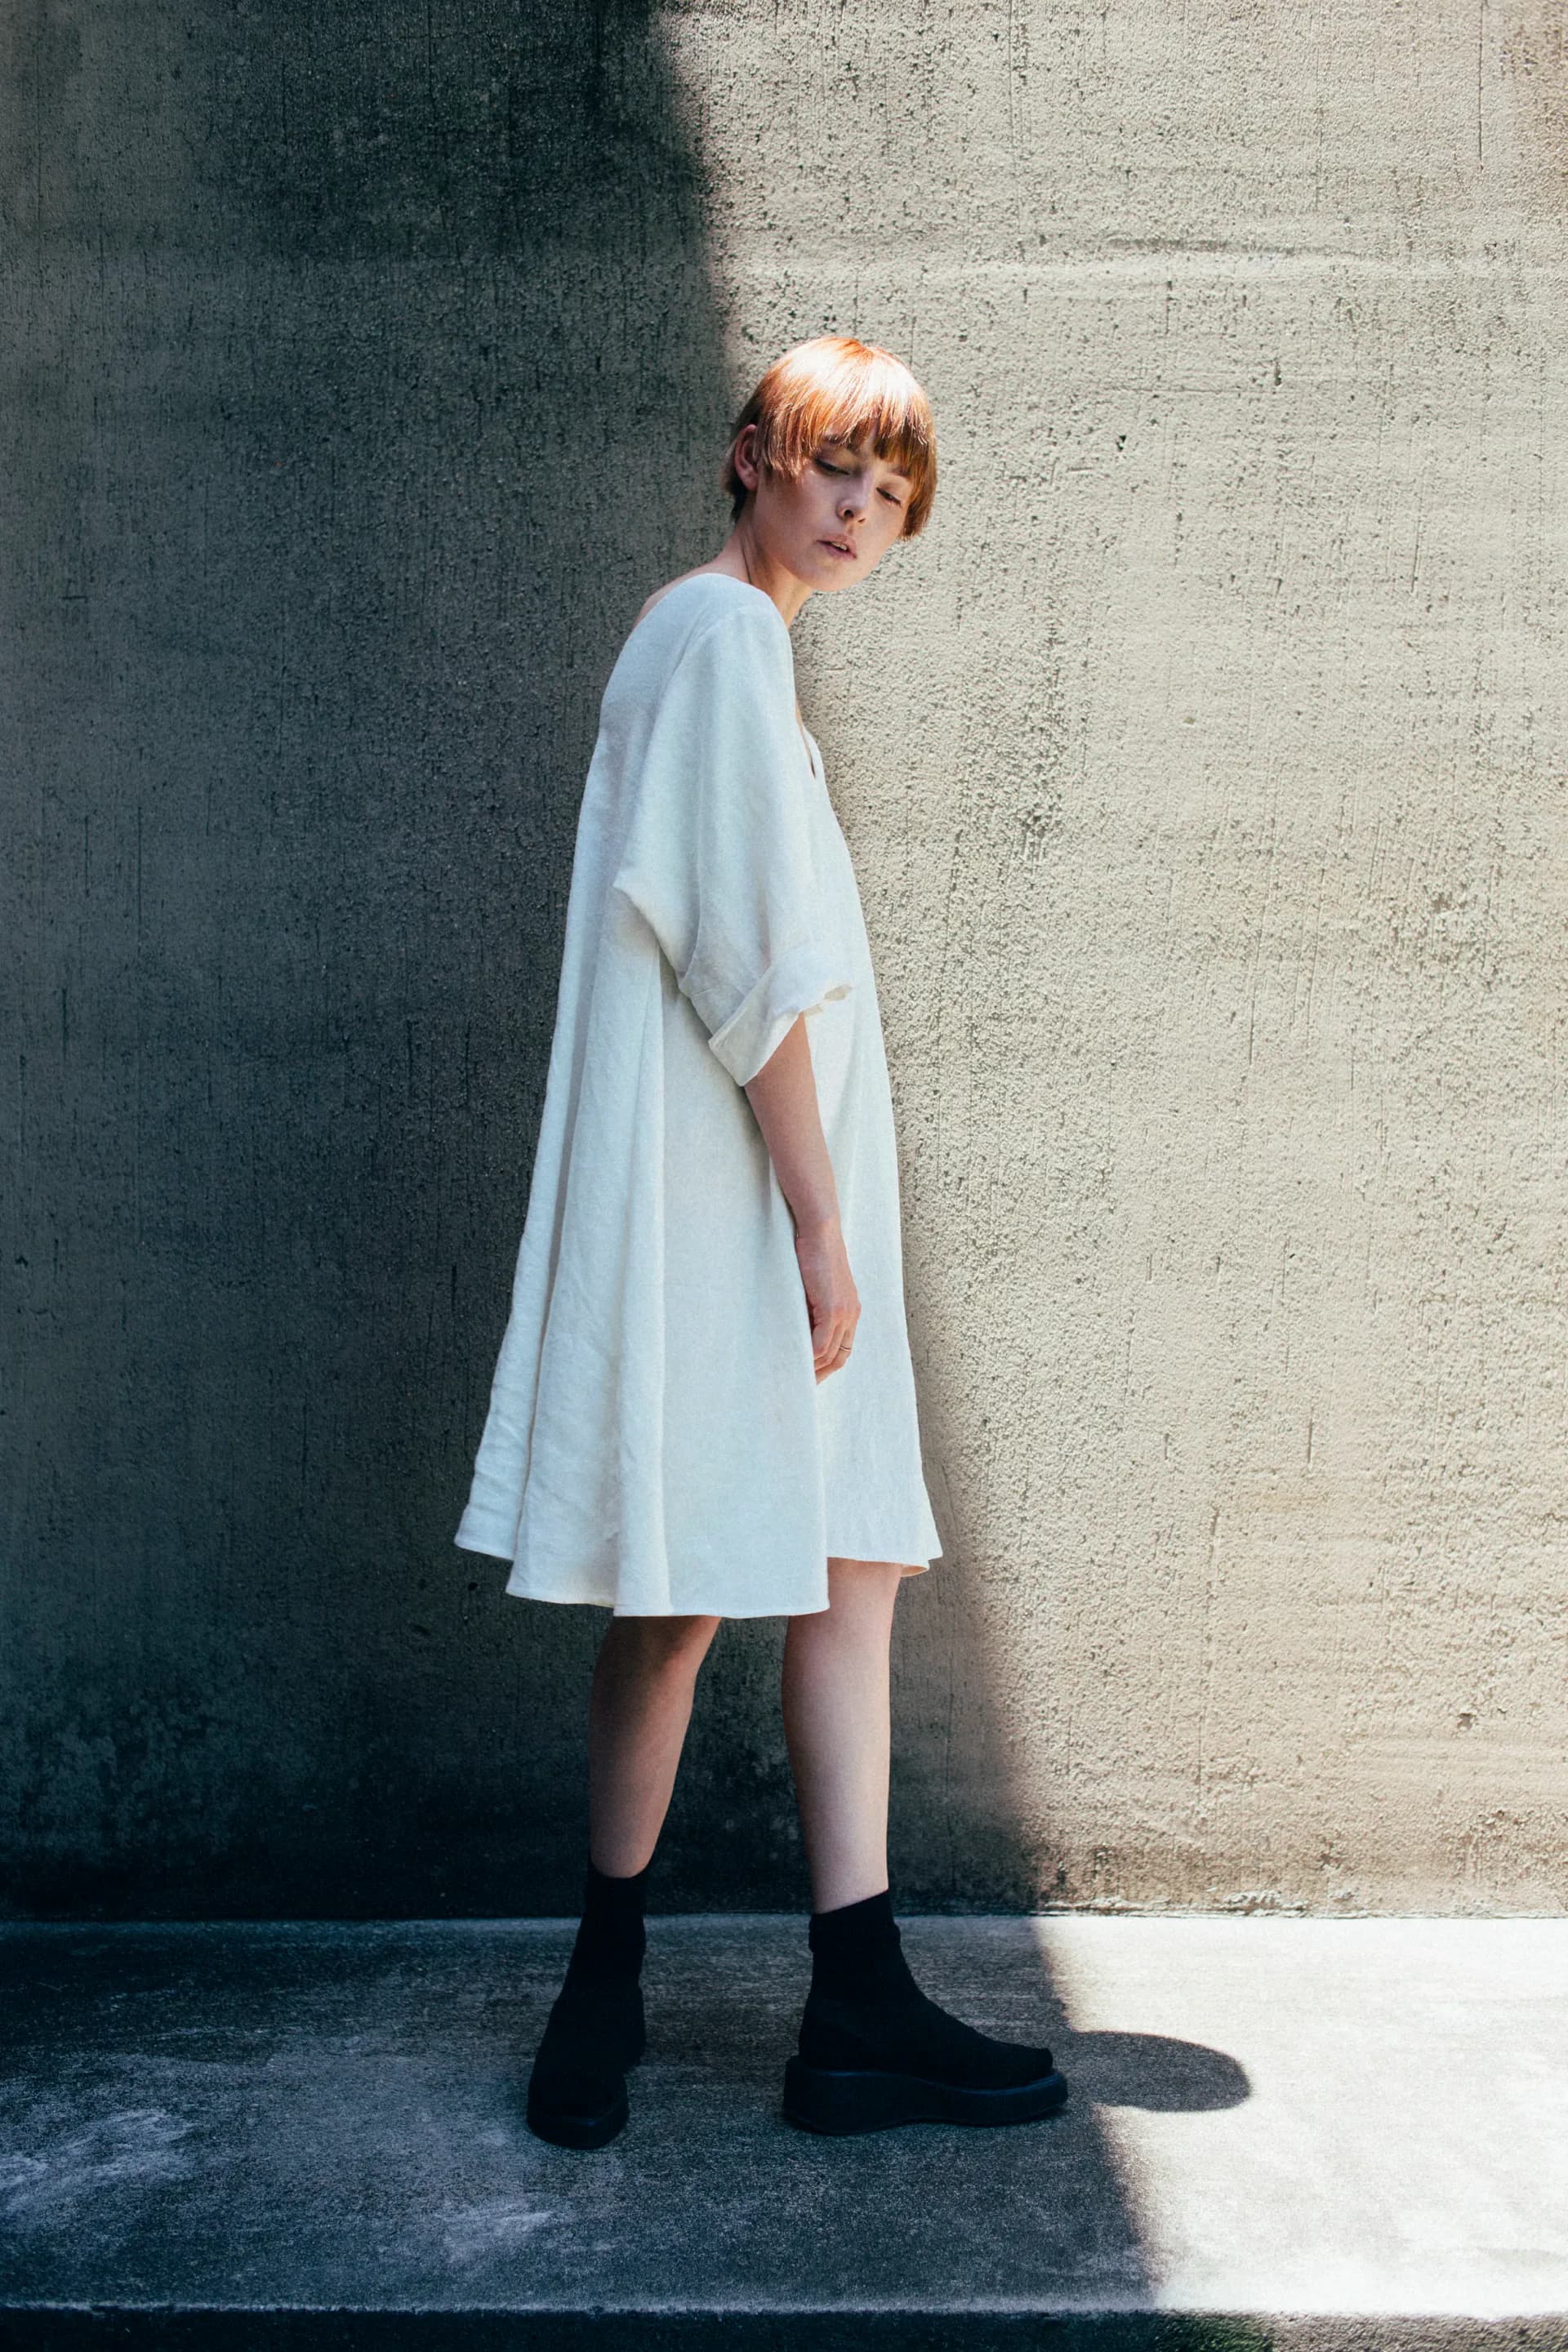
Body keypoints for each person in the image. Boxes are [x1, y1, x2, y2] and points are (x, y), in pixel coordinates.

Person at [455, 334, 1068, 2146]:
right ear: (750, 460)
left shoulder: (738, 655)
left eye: (892, 485)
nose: (861, 505)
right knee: (689, 1587)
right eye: (832, 466)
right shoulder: (719, 639)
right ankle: (608, 1975)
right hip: (743, 1193)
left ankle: (852, 1996)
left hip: (775, 1187)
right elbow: (746, 964)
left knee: (842, 1562)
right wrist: (816, 1220)